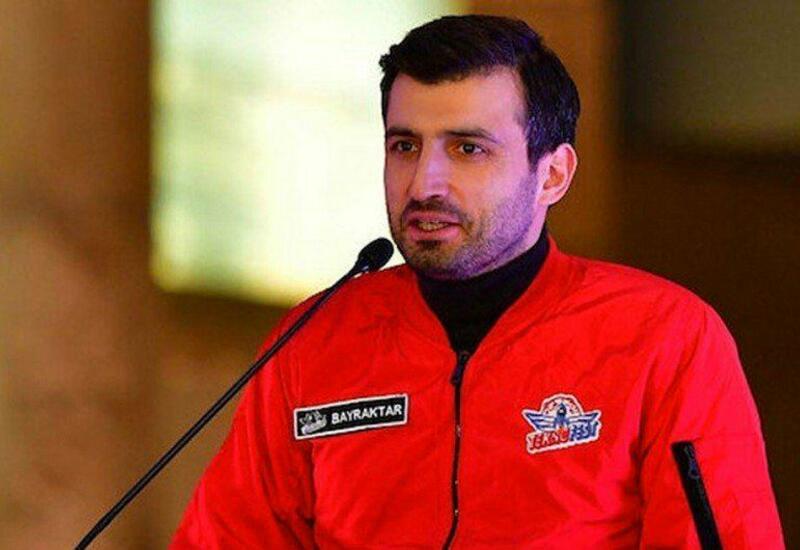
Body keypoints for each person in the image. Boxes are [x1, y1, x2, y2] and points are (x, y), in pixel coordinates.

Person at [171, 15, 783, 548]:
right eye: (405, 146)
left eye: (467, 149)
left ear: (552, 175)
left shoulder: (664, 337)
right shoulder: (312, 341)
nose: (424, 183)